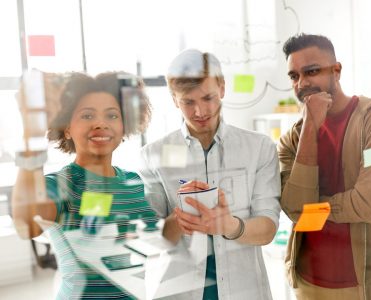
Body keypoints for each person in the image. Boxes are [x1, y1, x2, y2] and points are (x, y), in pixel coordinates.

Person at [139, 49, 281, 299]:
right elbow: (150, 239)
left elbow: (268, 228)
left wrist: (230, 226)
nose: (200, 112)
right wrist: (177, 222)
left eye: (208, 98)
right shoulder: (154, 155)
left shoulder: (259, 148)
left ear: (223, 88)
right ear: (174, 99)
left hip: (245, 291)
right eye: (188, 102)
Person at [12, 71, 157, 299]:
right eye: (87, 116)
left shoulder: (134, 181)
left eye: (112, 116)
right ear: (67, 127)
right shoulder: (62, 184)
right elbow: (28, 225)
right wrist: (33, 131)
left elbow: (152, 242)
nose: (100, 123)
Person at [278, 33, 371, 300]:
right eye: (294, 76)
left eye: (311, 71)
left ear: (336, 71)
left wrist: (313, 210)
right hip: (307, 284)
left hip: (366, 282)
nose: (302, 83)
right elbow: (294, 211)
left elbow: (370, 203)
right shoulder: (292, 138)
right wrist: (311, 129)